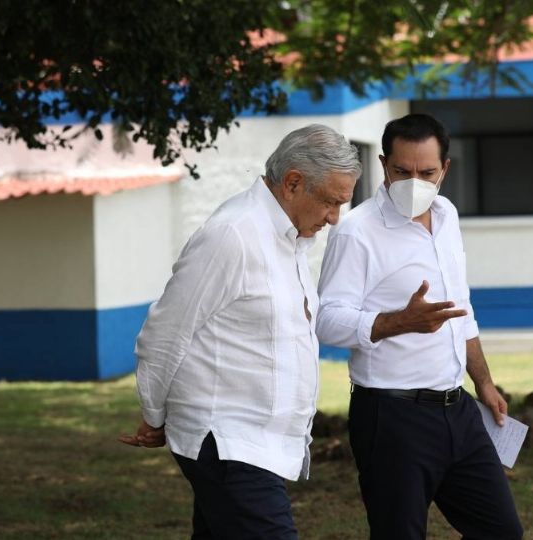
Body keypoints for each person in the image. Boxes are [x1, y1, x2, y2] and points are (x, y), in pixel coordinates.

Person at [119, 123, 359, 539]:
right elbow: (165, 334)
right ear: (293, 183)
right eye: (330, 203)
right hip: (228, 441)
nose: (335, 219)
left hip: (254, 444)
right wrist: (154, 414)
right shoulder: (233, 234)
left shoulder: (288, 238)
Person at [316, 113, 523, 539]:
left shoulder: (447, 216)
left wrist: (483, 383)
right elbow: (326, 321)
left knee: (502, 531)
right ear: (383, 165)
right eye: (402, 171)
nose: (415, 182)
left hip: (459, 409)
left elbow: (460, 308)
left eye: (427, 172)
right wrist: (397, 322)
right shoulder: (356, 231)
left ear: (445, 169)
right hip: (391, 417)